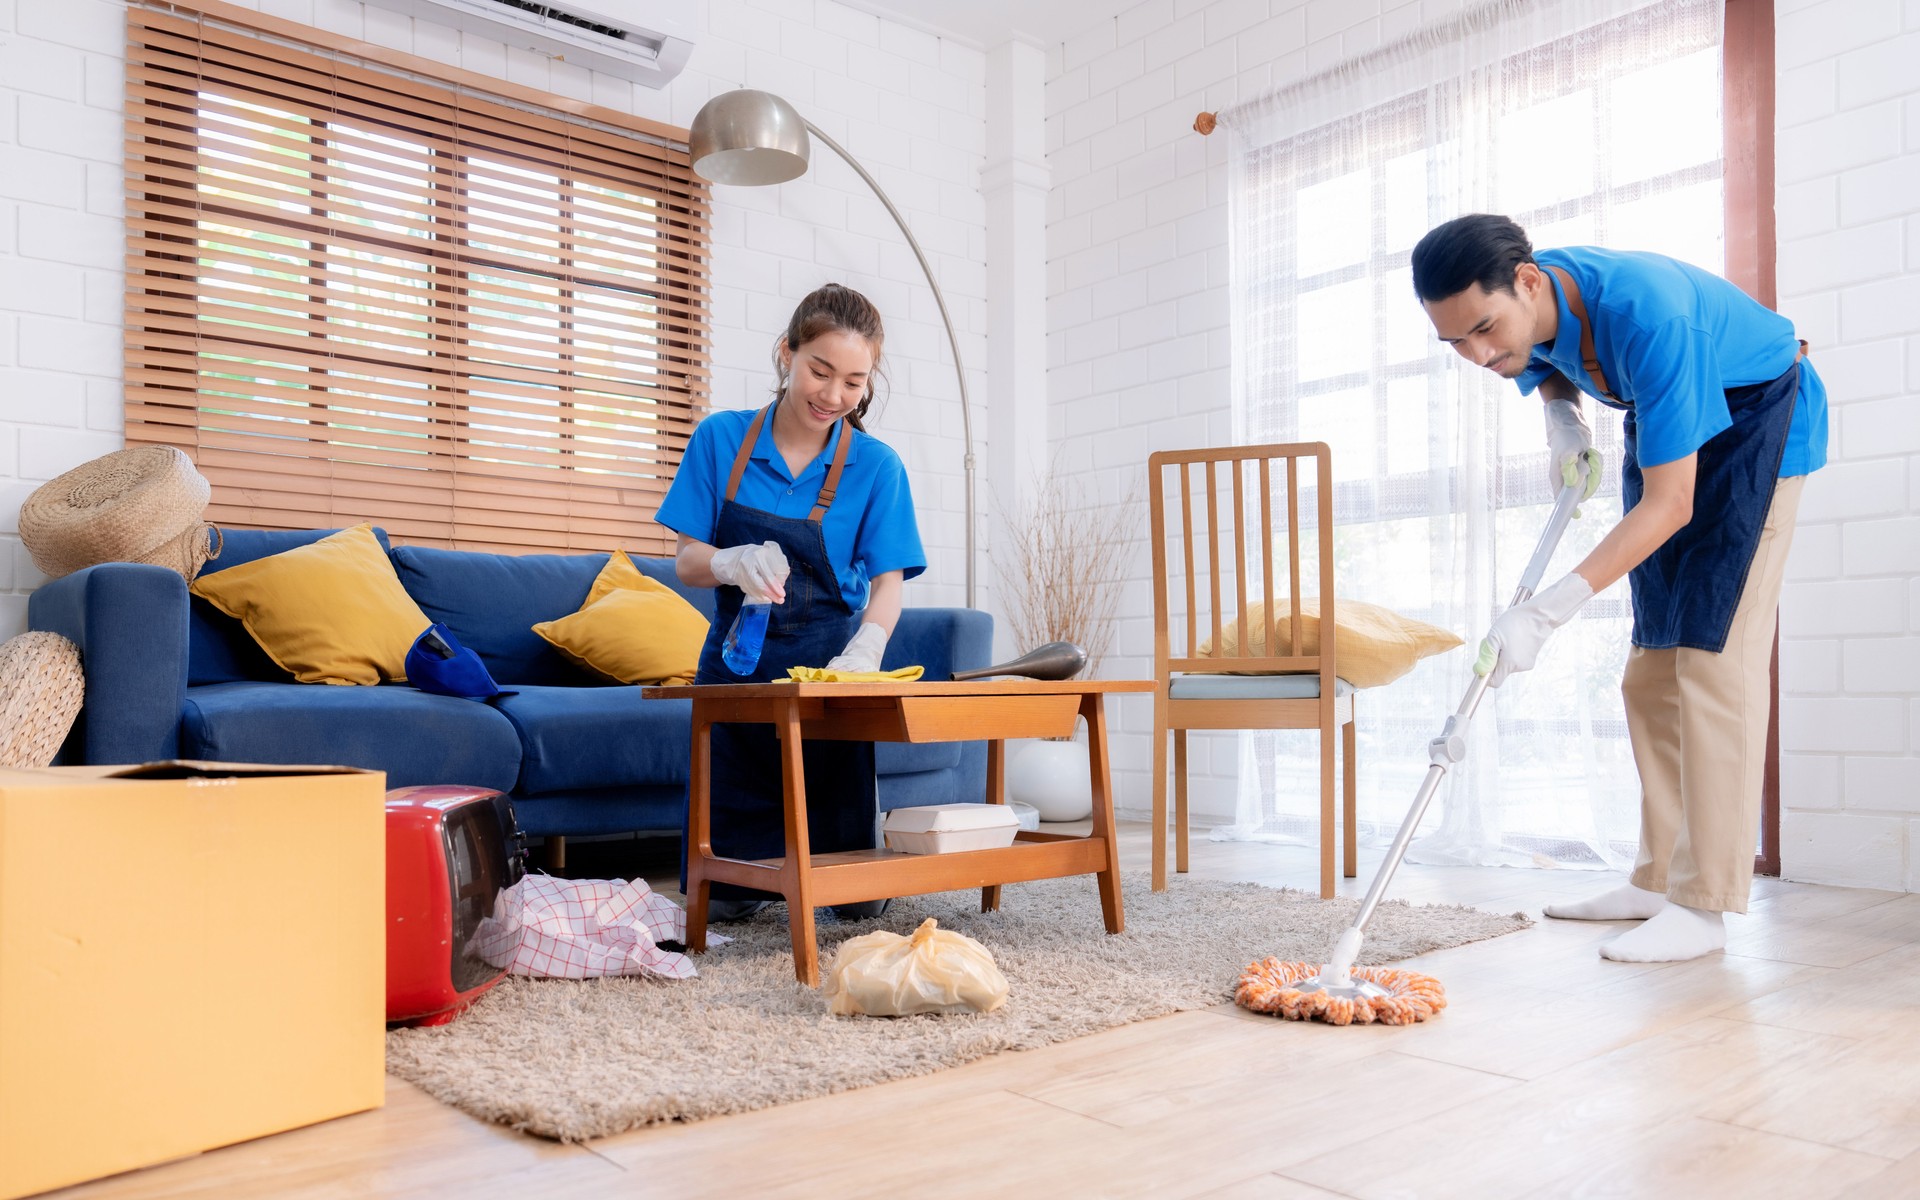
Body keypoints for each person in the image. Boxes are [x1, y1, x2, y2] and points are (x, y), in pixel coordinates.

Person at [1411, 214, 1826, 963]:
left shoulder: (1648, 313)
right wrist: (1562, 414)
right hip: (1670, 424)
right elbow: (1541, 353)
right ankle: (1657, 879)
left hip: (1760, 422)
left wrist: (1546, 614)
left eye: (1482, 329)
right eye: (1455, 344)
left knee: (1711, 663)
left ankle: (1703, 909)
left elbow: (1672, 505)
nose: (1477, 355)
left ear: (1527, 281)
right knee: (1651, 670)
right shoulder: (1539, 299)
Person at [655, 282, 926, 923]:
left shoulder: (876, 467)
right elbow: (688, 559)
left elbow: (889, 582)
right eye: (820, 371)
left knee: (856, 903)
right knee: (720, 903)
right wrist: (727, 560)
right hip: (736, 673)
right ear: (787, 353)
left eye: (855, 383)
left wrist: (868, 649)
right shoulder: (721, 440)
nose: (834, 396)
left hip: (828, 679)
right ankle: (735, 880)